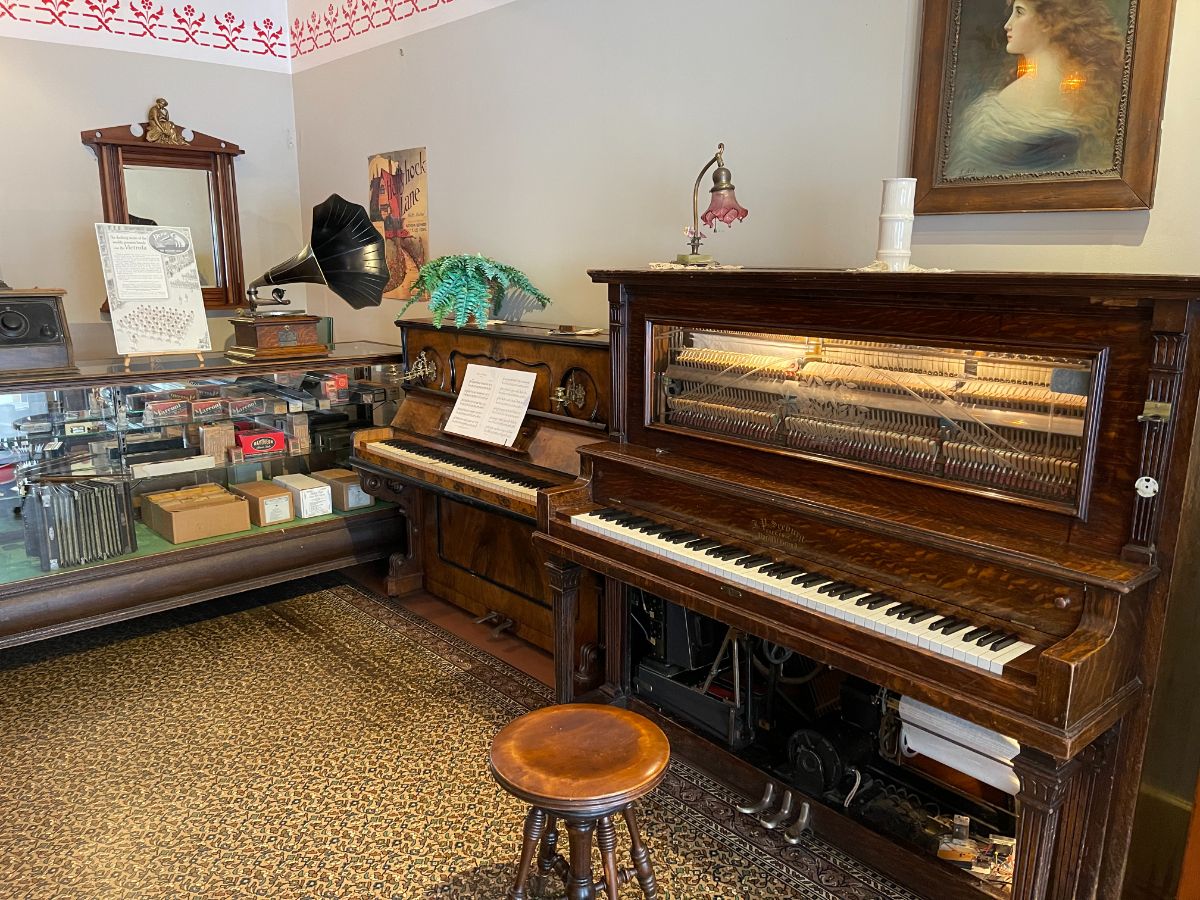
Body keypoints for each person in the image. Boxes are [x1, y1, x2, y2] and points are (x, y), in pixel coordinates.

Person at [945, 0, 1124, 179]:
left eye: (1020, 12)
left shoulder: (1016, 101)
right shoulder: (1084, 97)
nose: (1008, 25)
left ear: (1048, 21)